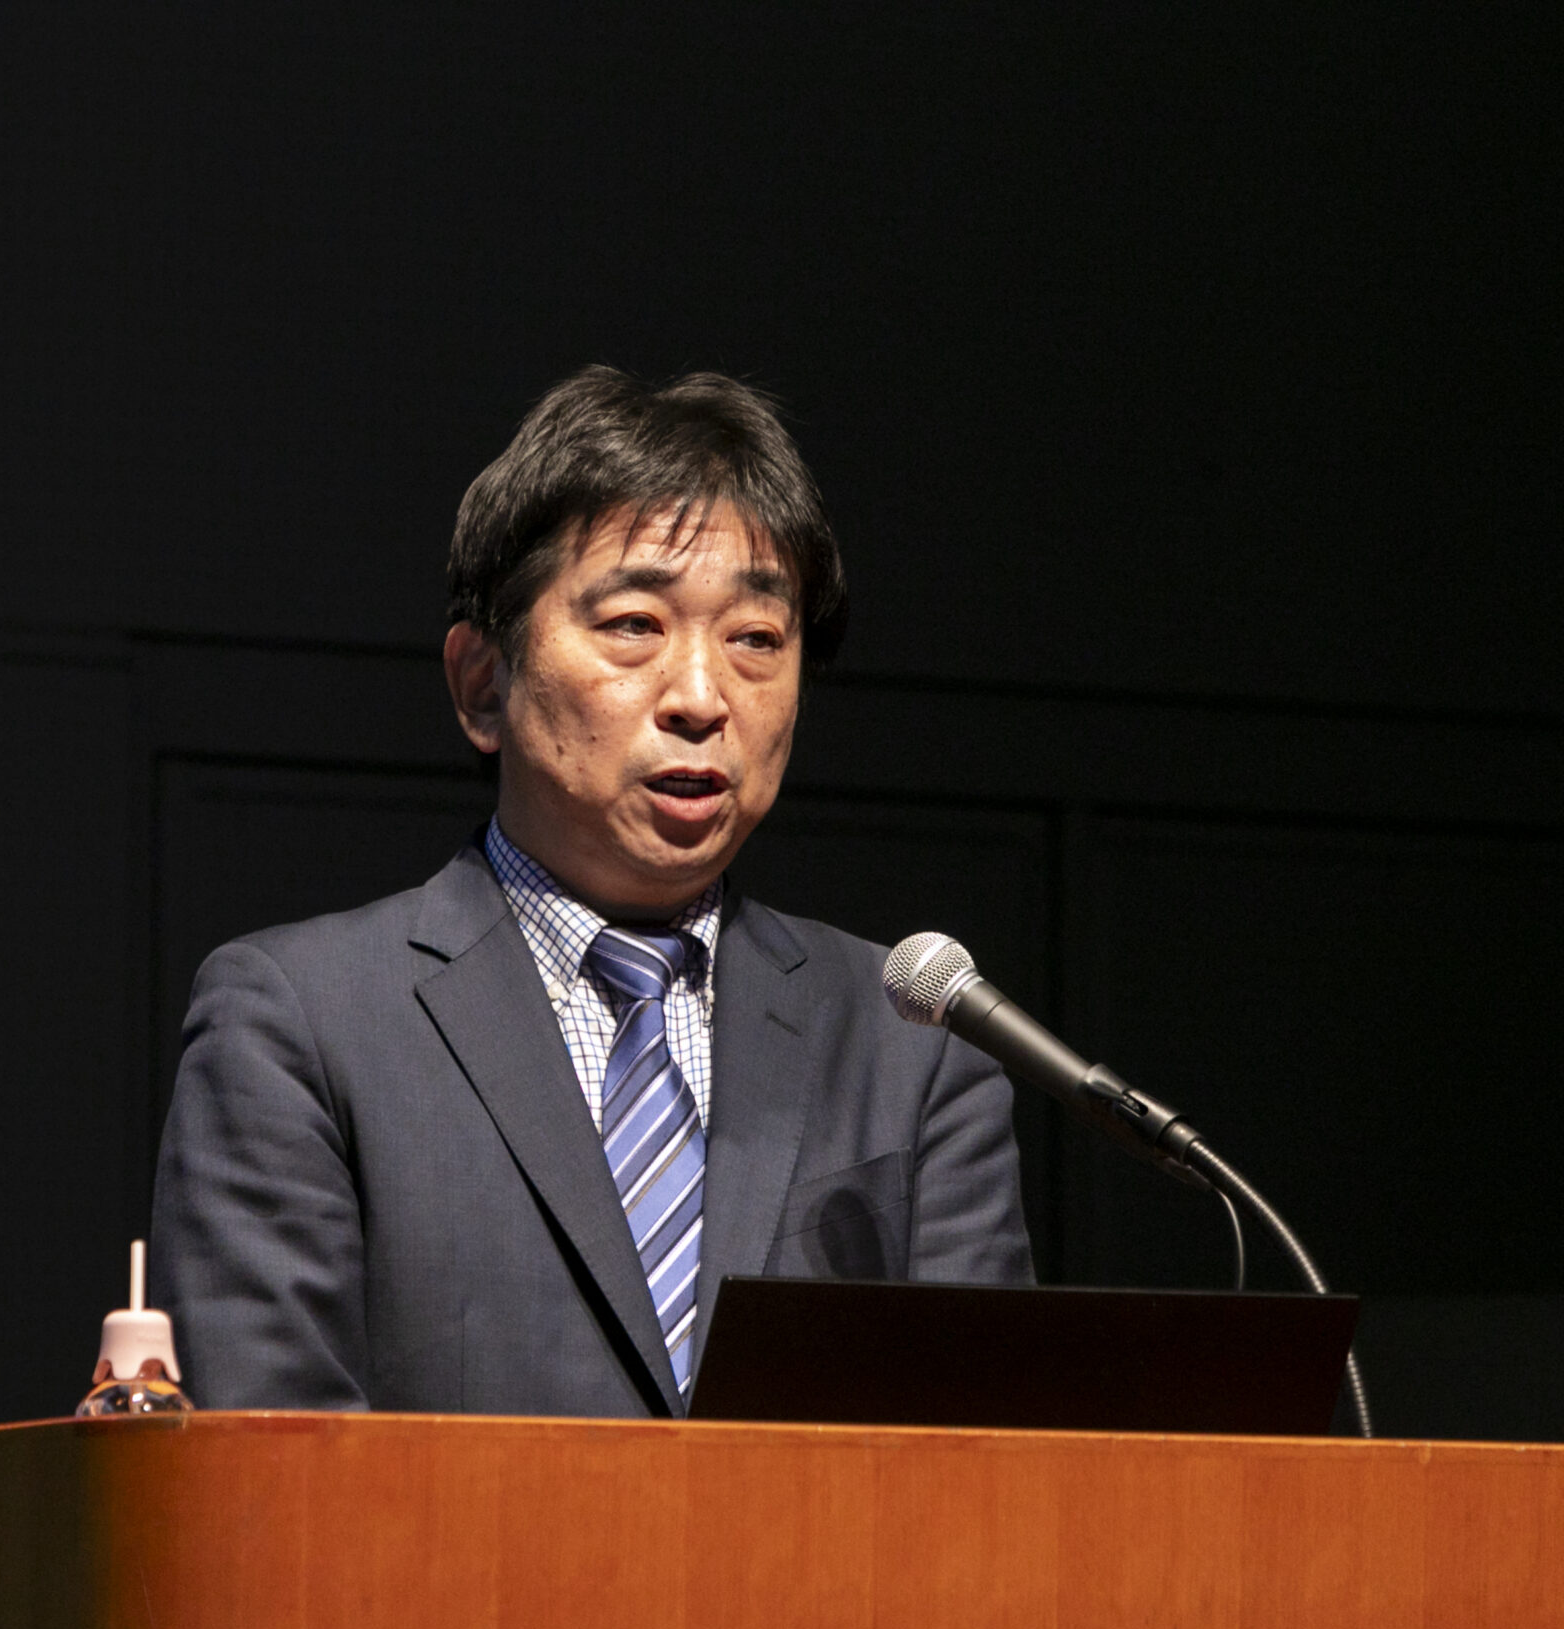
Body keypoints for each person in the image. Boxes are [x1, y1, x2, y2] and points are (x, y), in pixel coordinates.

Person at [150, 366, 1030, 1417]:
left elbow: (989, 1473)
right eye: (631, 625)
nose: (702, 697)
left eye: (756, 639)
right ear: (483, 683)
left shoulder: (913, 1047)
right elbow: (275, 1472)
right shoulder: (302, 1021)